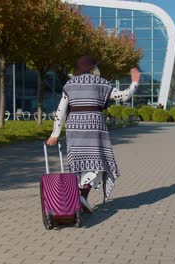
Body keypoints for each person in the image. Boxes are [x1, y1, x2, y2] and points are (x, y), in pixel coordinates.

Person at [47, 55, 140, 212]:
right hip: (95, 128)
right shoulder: (101, 83)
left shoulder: (69, 84)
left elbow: (61, 110)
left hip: (74, 128)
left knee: (79, 163)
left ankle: (78, 197)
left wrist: (55, 133)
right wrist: (135, 82)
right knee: (97, 163)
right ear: (94, 69)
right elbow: (123, 96)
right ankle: (82, 195)